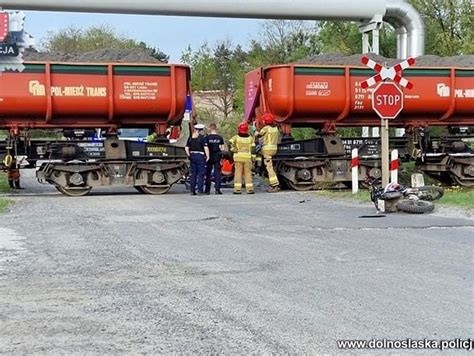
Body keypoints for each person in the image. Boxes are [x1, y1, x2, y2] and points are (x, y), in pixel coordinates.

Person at [256, 112, 280, 192]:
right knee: (270, 166)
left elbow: (259, 135)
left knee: (269, 168)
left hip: (267, 150)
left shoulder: (266, 128)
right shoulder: (276, 128)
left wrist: (256, 132)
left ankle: (274, 185)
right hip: (274, 149)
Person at [229, 122, 255, 195]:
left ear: (239, 129)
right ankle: (250, 189)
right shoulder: (250, 138)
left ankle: (237, 189)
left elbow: (230, 143)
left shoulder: (236, 137)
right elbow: (253, 149)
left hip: (238, 158)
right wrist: (253, 158)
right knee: (248, 173)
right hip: (247, 158)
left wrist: (234, 150)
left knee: (238, 173)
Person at [185, 124, 209, 195]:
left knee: (193, 174)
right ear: (201, 130)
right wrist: (208, 156)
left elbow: (186, 148)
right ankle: (200, 191)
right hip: (200, 156)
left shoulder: (190, 138)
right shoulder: (202, 138)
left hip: (192, 155)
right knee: (201, 174)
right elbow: (205, 148)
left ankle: (192, 191)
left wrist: (189, 155)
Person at [204, 123, 225, 195]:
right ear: (216, 128)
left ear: (210, 128)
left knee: (208, 173)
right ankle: (217, 189)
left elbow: (205, 147)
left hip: (209, 156)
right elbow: (222, 148)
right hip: (217, 156)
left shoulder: (207, 138)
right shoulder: (220, 137)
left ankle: (207, 190)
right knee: (217, 173)